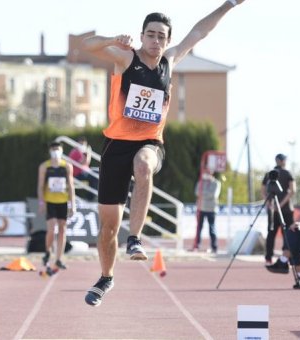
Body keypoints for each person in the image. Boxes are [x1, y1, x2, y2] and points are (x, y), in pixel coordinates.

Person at [80, 0, 246, 306]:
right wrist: (111, 40)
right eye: (151, 34)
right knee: (107, 228)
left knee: (143, 166)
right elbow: (86, 45)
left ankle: (135, 239)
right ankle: (106, 277)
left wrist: (229, 4)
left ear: (168, 41)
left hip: (150, 142)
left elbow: (200, 32)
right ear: (142, 36)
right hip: (115, 145)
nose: (156, 41)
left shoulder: (171, 60)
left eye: (161, 36)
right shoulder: (125, 59)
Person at [37, 142, 76, 271]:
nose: (56, 152)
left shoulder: (67, 166)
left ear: (62, 151)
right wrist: (41, 202)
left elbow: (71, 186)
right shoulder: (44, 167)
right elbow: (40, 186)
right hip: (50, 202)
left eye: (58, 149)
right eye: (53, 149)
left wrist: (73, 204)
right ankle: (48, 252)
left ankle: (59, 258)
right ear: (50, 151)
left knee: (62, 230)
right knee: (52, 227)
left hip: (63, 202)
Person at [263, 154, 296, 268]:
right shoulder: (287, 173)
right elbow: (292, 190)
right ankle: (287, 258)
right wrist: (280, 205)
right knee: (287, 234)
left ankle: (269, 257)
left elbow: (263, 190)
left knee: (272, 233)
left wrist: (270, 203)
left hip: (275, 209)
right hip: (285, 209)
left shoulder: (269, 174)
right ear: (282, 161)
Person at [192, 169, 221, 253]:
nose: (206, 174)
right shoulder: (200, 182)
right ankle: (196, 245)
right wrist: (205, 194)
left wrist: (203, 194)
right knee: (199, 227)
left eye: (208, 172)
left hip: (211, 209)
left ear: (212, 173)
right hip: (201, 208)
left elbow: (213, 195)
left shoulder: (216, 183)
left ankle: (214, 246)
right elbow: (197, 192)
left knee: (212, 228)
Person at [69, 136, 98, 201]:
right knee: (95, 175)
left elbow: (87, 163)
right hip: (78, 174)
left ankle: (92, 197)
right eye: (81, 144)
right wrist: (89, 153)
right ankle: (91, 197)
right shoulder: (76, 151)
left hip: (84, 172)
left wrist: (88, 154)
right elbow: (83, 162)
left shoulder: (81, 152)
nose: (82, 145)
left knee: (98, 172)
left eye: (83, 144)